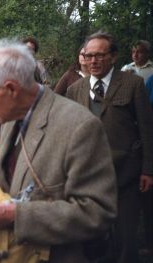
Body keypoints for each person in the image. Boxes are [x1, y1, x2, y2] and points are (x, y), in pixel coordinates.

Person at [0, 39, 117, 262]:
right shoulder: (10, 117)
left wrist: (16, 216)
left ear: (11, 89)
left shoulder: (80, 127)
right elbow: (4, 182)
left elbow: (98, 212)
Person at [67, 31, 153, 263]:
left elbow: (147, 129)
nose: (93, 61)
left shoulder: (133, 84)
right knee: (95, 238)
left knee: (126, 238)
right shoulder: (75, 89)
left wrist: (147, 170)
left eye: (99, 55)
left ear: (113, 57)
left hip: (126, 174)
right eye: (88, 55)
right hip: (89, 177)